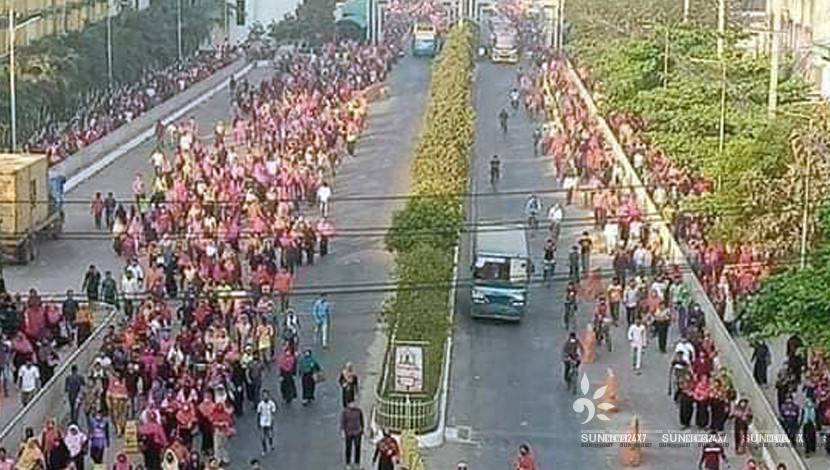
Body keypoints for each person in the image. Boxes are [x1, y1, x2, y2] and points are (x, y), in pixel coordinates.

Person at [340, 401, 364, 469]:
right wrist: (342, 431)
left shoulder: (359, 411)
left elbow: (361, 420)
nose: (354, 405)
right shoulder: (345, 412)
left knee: (357, 447)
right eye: (352, 403)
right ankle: (348, 463)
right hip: (349, 432)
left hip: (357, 432)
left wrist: (362, 429)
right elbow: (343, 422)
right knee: (348, 447)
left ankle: (357, 462)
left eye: (354, 403)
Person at [256, 390, 277, 455]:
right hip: (262, 422)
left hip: (269, 422)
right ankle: (264, 449)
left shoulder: (272, 403)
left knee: (270, 435)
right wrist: (258, 423)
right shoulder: (260, 404)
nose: (265, 397)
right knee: (263, 437)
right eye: (264, 396)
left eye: (266, 395)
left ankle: (271, 444)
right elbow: (258, 414)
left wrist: (272, 421)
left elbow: (273, 413)